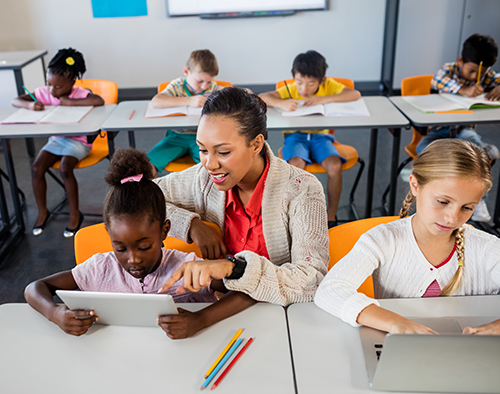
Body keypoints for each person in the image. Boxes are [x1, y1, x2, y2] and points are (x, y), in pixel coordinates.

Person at [24, 148, 254, 339]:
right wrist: (55, 313)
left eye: (144, 247)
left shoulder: (186, 268)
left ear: (165, 231)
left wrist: (201, 319)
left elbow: (249, 290)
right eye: (120, 248)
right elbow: (34, 288)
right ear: (109, 235)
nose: (133, 259)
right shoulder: (100, 268)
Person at [156, 87, 329, 307]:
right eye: (203, 150)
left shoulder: (301, 189)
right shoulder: (203, 178)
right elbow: (134, 198)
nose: (210, 164)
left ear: (256, 144)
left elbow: (312, 281)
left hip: (280, 316)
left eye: (223, 152)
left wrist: (234, 269)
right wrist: (192, 226)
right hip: (218, 309)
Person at [315, 139, 500, 335]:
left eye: (467, 208)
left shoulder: (488, 248)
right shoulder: (383, 239)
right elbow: (330, 290)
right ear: (415, 185)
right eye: (443, 201)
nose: (452, 218)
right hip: (398, 346)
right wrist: (396, 323)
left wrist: (494, 328)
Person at [259, 50, 361, 228]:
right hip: (295, 138)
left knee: (335, 166)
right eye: (299, 82)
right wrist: (281, 102)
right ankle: (296, 212)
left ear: (321, 80)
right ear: (294, 78)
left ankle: (331, 215)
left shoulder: (328, 86)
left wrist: (324, 98)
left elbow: (355, 94)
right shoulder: (290, 89)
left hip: (322, 137)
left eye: (311, 84)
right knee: (296, 166)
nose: (304, 89)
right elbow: (262, 97)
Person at [12, 48, 105, 237]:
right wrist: (30, 104)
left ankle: (74, 214)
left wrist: (70, 102)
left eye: (58, 87)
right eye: (49, 84)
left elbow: (99, 100)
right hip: (56, 140)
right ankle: (43, 212)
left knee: (65, 168)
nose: (52, 90)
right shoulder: (45, 93)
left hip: (78, 142)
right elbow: (16, 100)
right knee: (37, 168)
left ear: (72, 81)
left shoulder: (79, 93)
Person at [417, 34, 500, 222]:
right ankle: (436, 200)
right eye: (471, 71)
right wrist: (463, 90)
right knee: (423, 151)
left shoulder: (487, 76)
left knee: (476, 159)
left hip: (464, 132)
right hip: (439, 132)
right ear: (461, 60)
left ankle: (478, 203)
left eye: (480, 72)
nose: (475, 77)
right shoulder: (449, 70)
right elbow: (437, 81)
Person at [147, 49, 223, 177]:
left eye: (208, 81)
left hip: (203, 139)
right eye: (200, 81)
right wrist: (189, 101)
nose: (204, 86)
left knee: (215, 168)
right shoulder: (177, 86)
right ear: (186, 72)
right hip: (176, 137)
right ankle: (154, 195)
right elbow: (156, 101)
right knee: (147, 166)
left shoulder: (214, 88)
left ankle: (208, 195)